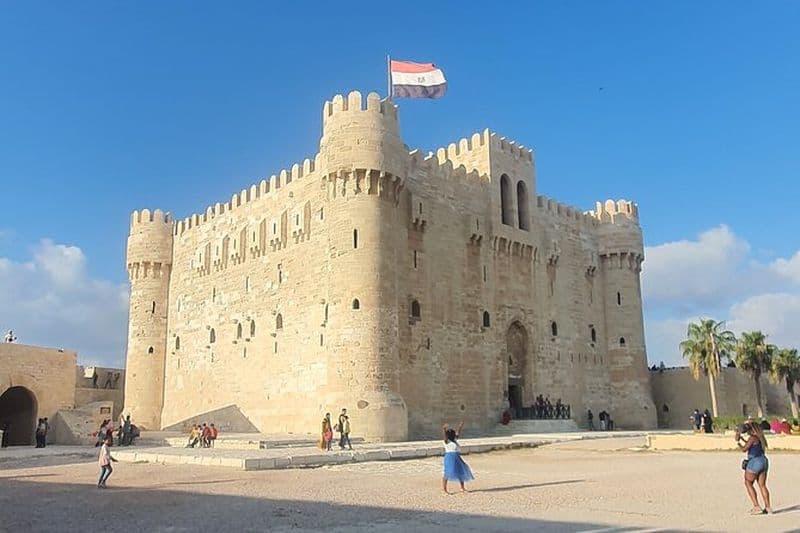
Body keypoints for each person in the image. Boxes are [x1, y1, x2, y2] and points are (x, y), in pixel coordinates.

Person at [736, 421, 772, 514]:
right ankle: (768, 507)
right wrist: (743, 439)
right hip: (763, 461)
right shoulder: (760, 437)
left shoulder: (752, 438)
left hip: (755, 461)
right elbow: (752, 445)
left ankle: (756, 506)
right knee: (762, 485)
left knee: (748, 482)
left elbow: (744, 449)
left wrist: (738, 442)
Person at [441, 422, 474, 494]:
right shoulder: (446, 442)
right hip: (449, 457)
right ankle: (445, 489)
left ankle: (462, 487)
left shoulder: (454, 441)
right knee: (447, 472)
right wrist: (444, 429)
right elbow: (445, 436)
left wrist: (460, 426)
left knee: (460, 471)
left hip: (456, 457)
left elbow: (458, 433)